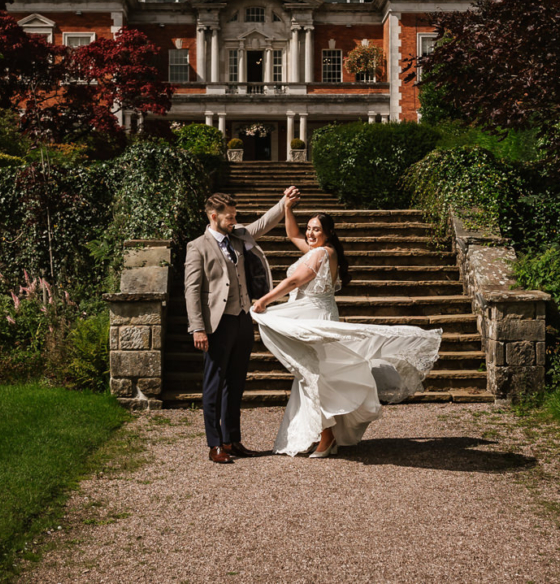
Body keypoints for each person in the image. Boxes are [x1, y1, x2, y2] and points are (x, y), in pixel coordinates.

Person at [250, 206, 442, 457]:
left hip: (315, 317)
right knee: (314, 374)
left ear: (328, 233)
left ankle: (328, 436)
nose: (309, 233)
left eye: (316, 229)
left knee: (317, 375)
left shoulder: (320, 253)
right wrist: (287, 208)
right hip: (317, 313)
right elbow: (293, 235)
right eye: (309, 228)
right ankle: (326, 434)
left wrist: (264, 300)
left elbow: (294, 281)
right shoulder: (323, 251)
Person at [185, 187, 300, 464]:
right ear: (214, 216)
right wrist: (197, 328)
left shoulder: (238, 237)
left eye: (235, 216)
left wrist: (283, 202)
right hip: (217, 324)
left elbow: (263, 223)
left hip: (242, 319)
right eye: (229, 217)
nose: (234, 221)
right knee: (214, 384)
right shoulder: (197, 246)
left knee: (236, 384)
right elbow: (192, 290)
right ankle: (214, 445)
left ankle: (231, 439)